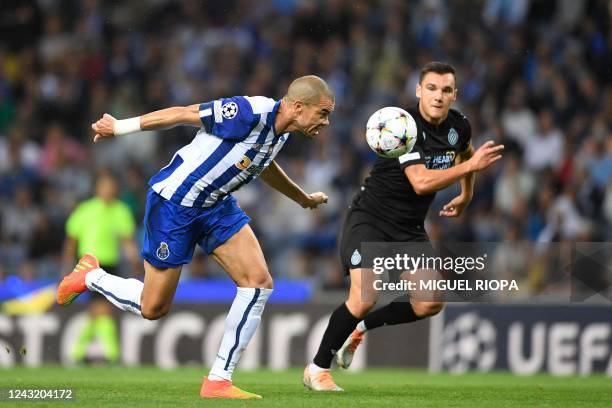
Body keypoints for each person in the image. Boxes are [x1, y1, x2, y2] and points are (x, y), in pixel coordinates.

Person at [57, 75, 334, 399]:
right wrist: (120, 127)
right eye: (323, 113)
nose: (326, 122)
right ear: (299, 107)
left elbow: (265, 164)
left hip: (216, 206)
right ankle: (92, 276)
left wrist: (301, 198)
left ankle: (218, 380)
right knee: (153, 307)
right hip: (175, 204)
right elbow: (184, 113)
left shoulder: (282, 132)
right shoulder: (248, 112)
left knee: (258, 282)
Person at [304, 62, 504, 391]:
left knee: (430, 301)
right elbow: (421, 182)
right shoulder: (402, 125)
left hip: (408, 227)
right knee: (364, 296)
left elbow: (464, 152)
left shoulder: (459, 125)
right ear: (418, 90)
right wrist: (470, 166)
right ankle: (317, 369)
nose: (438, 96)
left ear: (454, 94)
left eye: (445, 90)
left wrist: (466, 195)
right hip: (371, 218)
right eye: (431, 88)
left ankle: (361, 330)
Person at [62, 171, 139, 364]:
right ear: (97, 189)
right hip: (88, 266)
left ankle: (77, 354)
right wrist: (67, 264)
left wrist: (135, 259)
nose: (108, 190)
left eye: (111, 187)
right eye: (104, 186)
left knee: (98, 311)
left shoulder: (120, 210)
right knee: (102, 309)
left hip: (111, 264)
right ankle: (112, 355)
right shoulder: (85, 210)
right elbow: (71, 239)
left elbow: (127, 240)